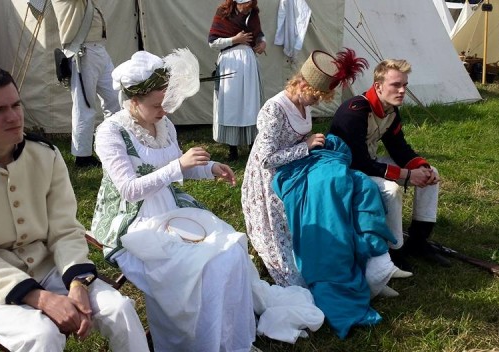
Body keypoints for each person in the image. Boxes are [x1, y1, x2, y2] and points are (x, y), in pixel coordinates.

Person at [0, 65, 149, 352]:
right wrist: (43, 299)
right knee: (42, 335)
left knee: (119, 309)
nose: (13, 117)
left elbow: (65, 229)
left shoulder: (45, 155)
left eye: (16, 104)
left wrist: (77, 282)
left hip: (48, 265)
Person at [91, 50, 259, 352]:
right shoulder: (110, 133)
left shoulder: (164, 125)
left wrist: (209, 170)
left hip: (169, 207)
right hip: (133, 221)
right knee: (202, 267)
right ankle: (188, 341)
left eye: (167, 103)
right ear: (133, 101)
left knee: (230, 252)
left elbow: (177, 167)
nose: (165, 111)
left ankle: (223, 339)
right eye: (157, 105)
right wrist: (178, 166)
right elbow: (130, 189)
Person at [242, 49, 412, 288]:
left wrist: (311, 144)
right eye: (316, 96)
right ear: (301, 84)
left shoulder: (303, 103)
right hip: (270, 181)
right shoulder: (274, 109)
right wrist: (306, 146)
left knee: (341, 191)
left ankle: (366, 262)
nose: (317, 101)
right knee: (291, 257)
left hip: (296, 170)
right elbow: (266, 159)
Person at [329, 59, 450, 268]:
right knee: (391, 190)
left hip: (367, 164)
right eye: (396, 85)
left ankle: (419, 241)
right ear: (378, 86)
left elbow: (398, 147)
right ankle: (395, 250)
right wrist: (407, 175)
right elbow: (358, 163)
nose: (402, 90)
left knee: (431, 173)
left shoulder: (391, 110)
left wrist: (421, 168)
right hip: (345, 172)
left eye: (405, 85)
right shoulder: (354, 111)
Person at [51, 0, 120, 167]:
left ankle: (113, 144)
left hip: (98, 50)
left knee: (116, 99)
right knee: (85, 106)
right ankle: (82, 156)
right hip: (83, 51)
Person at [208, 0, 266, 161]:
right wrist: (235, 39)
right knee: (231, 103)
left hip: (248, 63)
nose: (248, 6)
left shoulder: (253, 14)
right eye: (245, 3)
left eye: (250, 2)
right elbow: (212, 42)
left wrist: (262, 43)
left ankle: (252, 145)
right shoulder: (223, 14)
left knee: (250, 102)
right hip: (230, 63)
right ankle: (232, 148)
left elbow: (259, 34)